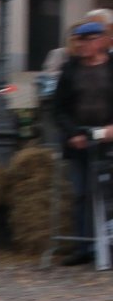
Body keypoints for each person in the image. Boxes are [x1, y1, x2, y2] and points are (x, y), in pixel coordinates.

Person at [50, 20, 113, 266]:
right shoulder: (70, 69)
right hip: (79, 141)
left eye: (87, 40)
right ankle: (83, 247)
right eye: (79, 40)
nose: (81, 45)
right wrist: (72, 133)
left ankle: (107, 245)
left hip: (108, 140)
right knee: (80, 193)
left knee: (108, 195)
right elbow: (58, 108)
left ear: (101, 41)